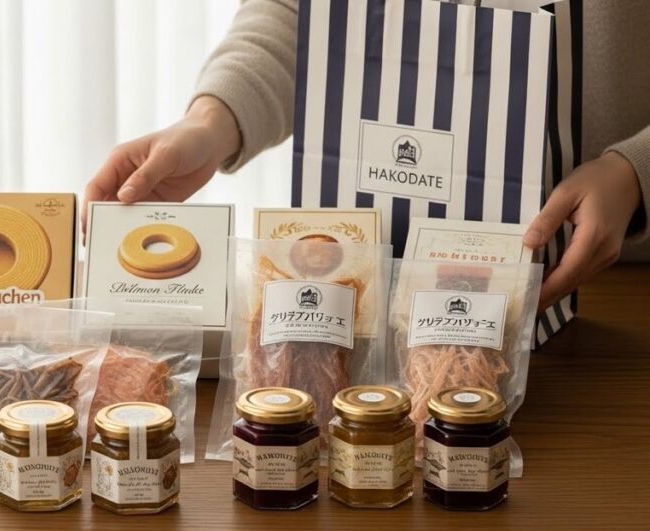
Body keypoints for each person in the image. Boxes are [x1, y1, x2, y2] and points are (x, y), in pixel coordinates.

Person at [85, 0, 649, 311]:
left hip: (615, 293)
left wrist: (635, 172)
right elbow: (295, 13)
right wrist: (211, 121)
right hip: (362, 296)